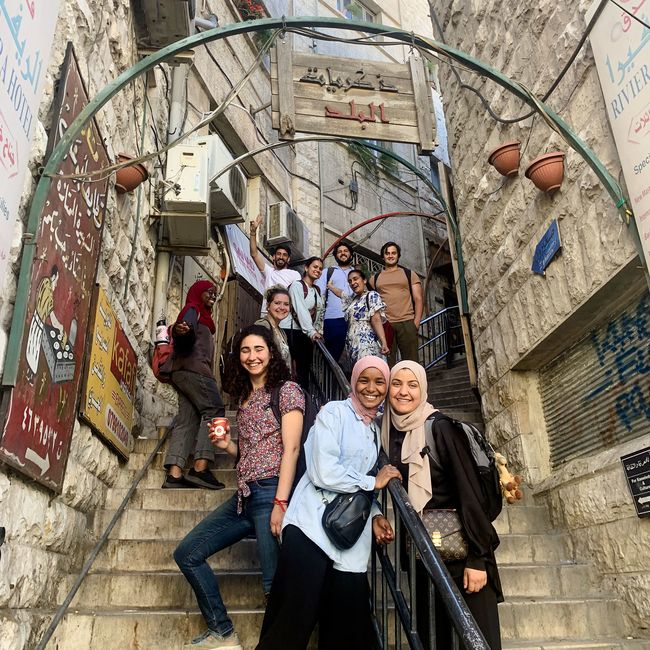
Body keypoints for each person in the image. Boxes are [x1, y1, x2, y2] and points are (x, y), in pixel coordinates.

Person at [256, 356, 402, 650]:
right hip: (310, 528)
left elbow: (361, 488)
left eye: (379, 382)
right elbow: (323, 470)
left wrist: (374, 514)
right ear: (353, 382)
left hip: (345, 541)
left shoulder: (375, 431)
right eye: (364, 379)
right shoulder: (334, 413)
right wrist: (373, 482)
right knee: (290, 624)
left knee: (345, 628)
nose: (370, 388)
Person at [175, 324, 305, 650]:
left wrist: (281, 502)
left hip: (270, 491)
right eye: (245, 351)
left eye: (258, 349)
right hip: (243, 496)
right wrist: (226, 445)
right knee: (188, 553)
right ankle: (222, 631)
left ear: (271, 353)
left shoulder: (287, 390)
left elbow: (291, 449)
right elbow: (246, 452)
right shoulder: (244, 397)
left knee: (273, 586)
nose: (252, 356)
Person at [381, 361, 502, 650]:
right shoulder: (389, 431)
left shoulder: (441, 428)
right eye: (397, 383)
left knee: (478, 639)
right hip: (424, 558)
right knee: (435, 639)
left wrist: (478, 559)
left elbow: (470, 493)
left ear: (423, 389)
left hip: (463, 558)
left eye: (412, 385)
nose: (403, 392)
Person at [163, 280, 227, 490]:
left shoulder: (201, 315)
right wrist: (182, 331)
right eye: (209, 292)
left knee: (187, 418)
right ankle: (201, 467)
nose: (213, 296)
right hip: (195, 370)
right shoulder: (193, 309)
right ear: (197, 292)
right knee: (215, 410)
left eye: (215, 293)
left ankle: (174, 473)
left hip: (180, 372)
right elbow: (185, 330)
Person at [370, 241, 424, 366]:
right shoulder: (375, 278)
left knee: (411, 363)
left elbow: (419, 299)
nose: (390, 256)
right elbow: (371, 301)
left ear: (398, 255)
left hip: (407, 322)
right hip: (385, 324)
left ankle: (412, 385)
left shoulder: (409, 274)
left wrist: (415, 323)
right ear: (383, 256)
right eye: (387, 253)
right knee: (387, 363)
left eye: (393, 253)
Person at [327, 268, 389, 366]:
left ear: (364, 280)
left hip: (366, 344)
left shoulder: (372, 295)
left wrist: (384, 342)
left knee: (367, 370)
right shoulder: (352, 299)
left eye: (355, 279)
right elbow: (341, 293)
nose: (352, 283)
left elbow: (376, 320)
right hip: (353, 345)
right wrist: (330, 286)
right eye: (350, 281)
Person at [279, 256, 324, 390]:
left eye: (320, 269)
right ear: (306, 268)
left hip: (306, 334)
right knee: (291, 370)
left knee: (304, 371)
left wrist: (318, 332)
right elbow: (300, 310)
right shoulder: (297, 286)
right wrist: (311, 332)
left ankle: (303, 403)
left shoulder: (316, 291)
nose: (318, 270)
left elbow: (319, 315)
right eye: (315, 267)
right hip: (291, 331)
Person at [250, 214, 301, 316]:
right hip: (267, 315)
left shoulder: (295, 274)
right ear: (273, 257)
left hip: (285, 317)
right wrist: (253, 233)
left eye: (284, 255)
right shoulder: (269, 272)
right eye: (278, 254)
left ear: (289, 259)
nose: (281, 257)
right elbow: (254, 254)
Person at [315, 242, 354, 362]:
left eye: (345, 250)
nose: (343, 253)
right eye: (339, 251)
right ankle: (329, 381)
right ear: (336, 256)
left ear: (351, 254)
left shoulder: (356, 274)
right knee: (332, 356)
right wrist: (317, 323)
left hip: (354, 319)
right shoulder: (328, 272)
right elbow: (318, 295)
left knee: (353, 355)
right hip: (333, 319)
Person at [255, 286, 292, 371]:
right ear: (268, 305)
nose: (282, 307)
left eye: (286, 304)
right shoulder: (263, 326)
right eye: (277, 303)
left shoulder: (282, 332)